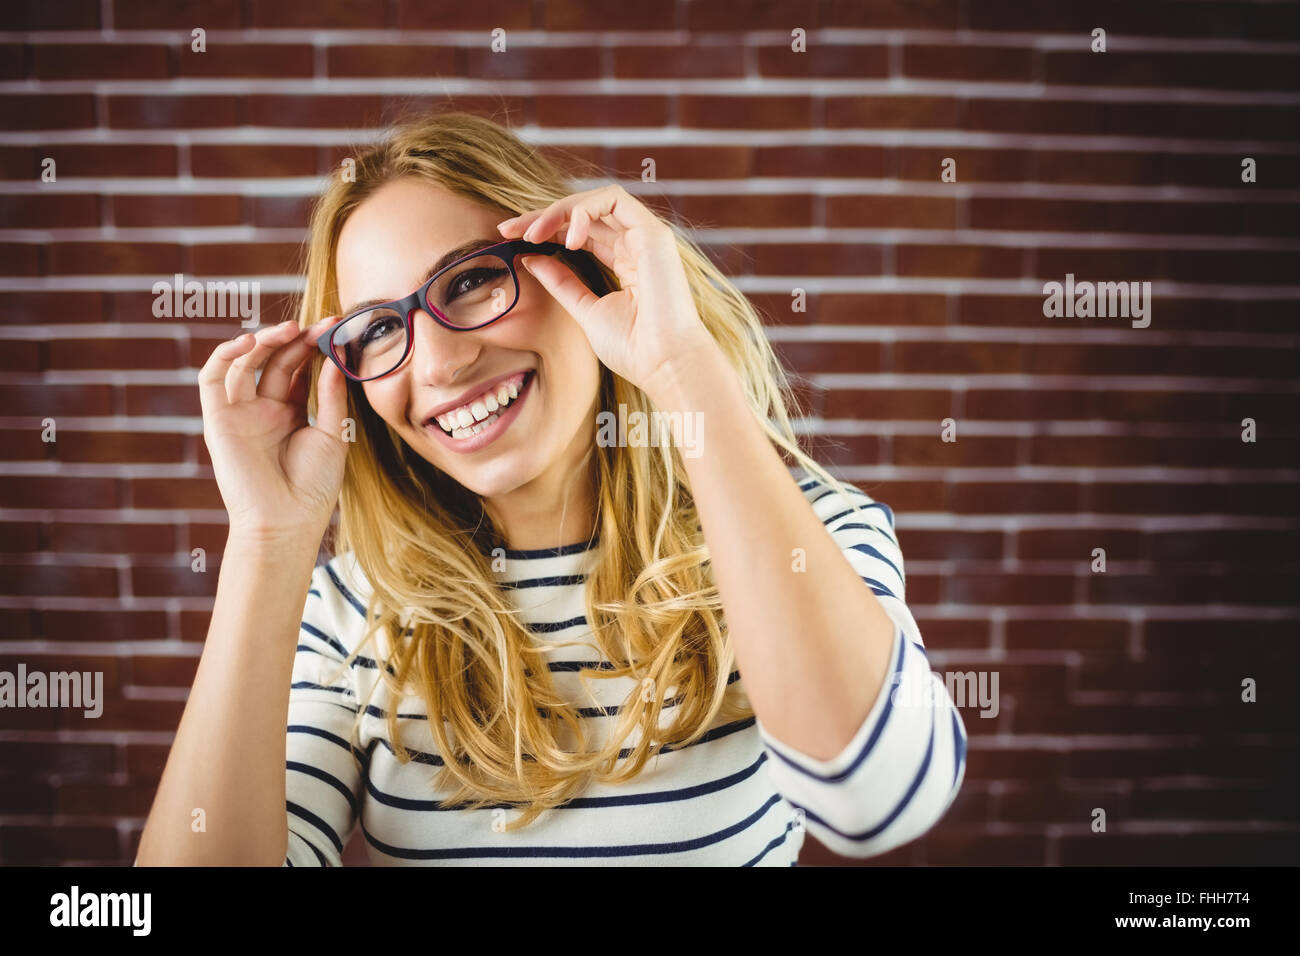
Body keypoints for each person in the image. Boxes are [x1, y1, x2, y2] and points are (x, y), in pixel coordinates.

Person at [136, 110, 966, 866]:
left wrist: (681, 370)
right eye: (382, 327)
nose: (438, 364)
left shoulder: (806, 534)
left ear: (582, 270)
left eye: (469, 281)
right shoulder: (351, 613)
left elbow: (877, 802)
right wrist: (266, 543)